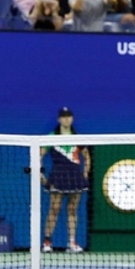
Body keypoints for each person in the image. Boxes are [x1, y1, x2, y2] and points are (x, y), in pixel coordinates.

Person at [40, 106, 91, 253]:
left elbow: (87, 156)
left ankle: (72, 243)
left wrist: (85, 174)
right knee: (54, 209)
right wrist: (41, 175)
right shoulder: (52, 137)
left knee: (72, 210)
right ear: (59, 119)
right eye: (63, 116)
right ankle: (47, 242)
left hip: (75, 177)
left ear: (72, 118)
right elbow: (39, 155)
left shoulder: (77, 138)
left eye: (68, 116)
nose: (66, 119)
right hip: (58, 176)